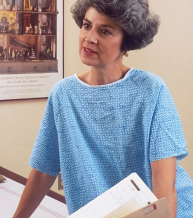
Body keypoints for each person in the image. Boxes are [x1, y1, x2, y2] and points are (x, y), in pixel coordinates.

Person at [13, 0, 193, 217]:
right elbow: (43, 171)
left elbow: (164, 188)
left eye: (105, 31)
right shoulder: (63, 94)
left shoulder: (151, 90)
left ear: (126, 43)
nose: (90, 38)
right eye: (87, 25)